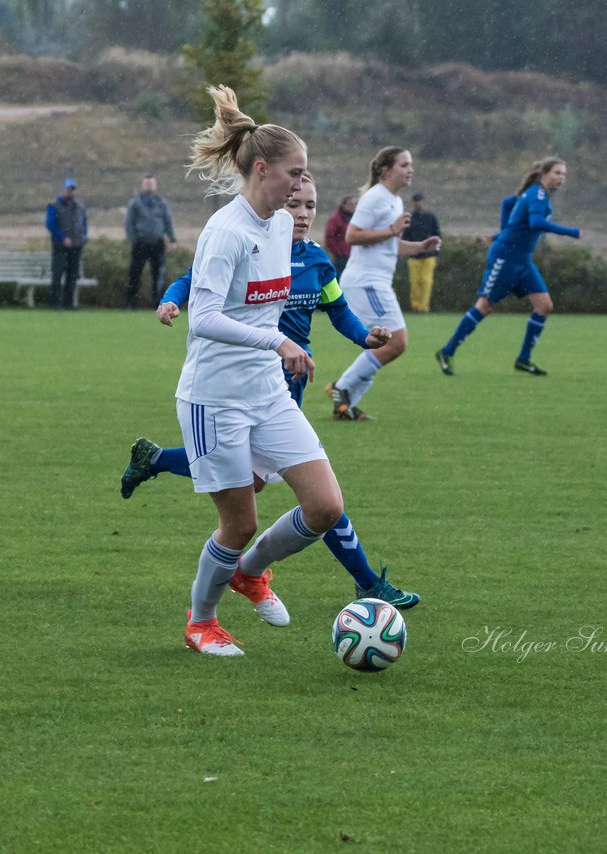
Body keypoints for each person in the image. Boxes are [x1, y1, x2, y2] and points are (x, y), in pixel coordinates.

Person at [120, 173, 420, 610]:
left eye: (311, 206)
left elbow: (337, 310)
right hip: (250, 380)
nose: (301, 214)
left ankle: (158, 459)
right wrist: (171, 299)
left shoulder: (318, 261)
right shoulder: (250, 243)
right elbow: (194, 279)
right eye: (295, 204)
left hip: (288, 386)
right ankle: (365, 580)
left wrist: (364, 338)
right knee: (286, 492)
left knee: (260, 483)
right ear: (277, 199)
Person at [164, 84, 356, 657]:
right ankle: (202, 622)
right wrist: (276, 341)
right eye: (296, 172)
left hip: (267, 393)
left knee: (325, 507)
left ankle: (250, 574)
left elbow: (279, 299)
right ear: (265, 169)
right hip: (214, 397)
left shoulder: (279, 225)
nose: (302, 184)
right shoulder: (226, 232)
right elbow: (204, 319)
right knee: (239, 522)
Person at [435, 157, 581, 377]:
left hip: (522, 260)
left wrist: (498, 234)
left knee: (544, 305)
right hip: (506, 258)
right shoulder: (537, 194)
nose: (561, 178)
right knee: (484, 306)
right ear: (544, 174)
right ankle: (447, 351)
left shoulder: (537, 195)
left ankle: (523, 359)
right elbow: (535, 223)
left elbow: (511, 209)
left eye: (564, 174)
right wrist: (571, 232)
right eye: (557, 173)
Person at [327, 147, 441, 421]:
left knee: (385, 343)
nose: (410, 169)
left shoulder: (394, 200)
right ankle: (341, 388)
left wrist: (419, 247)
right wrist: (391, 230)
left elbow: (388, 244)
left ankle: (345, 404)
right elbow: (352, 236)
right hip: (367, 283)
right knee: (395, 343)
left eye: (411, 164)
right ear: (386, 170)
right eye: (404, 164)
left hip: (375, 283)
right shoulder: (375, 198)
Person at [124, 174, 178, 309]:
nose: (149, 186)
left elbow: (167, 222)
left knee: (158, 276)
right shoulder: (135, 203)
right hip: (140, 244)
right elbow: (128, 224)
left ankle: (158, 304)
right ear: (142, 185)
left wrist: (172, 239)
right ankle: (131, 304)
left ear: (155, 185)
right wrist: (134, 239)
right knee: (134, 275)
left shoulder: (161, 203)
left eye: (151, 183)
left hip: (157, 244)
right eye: (146, 183)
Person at [45, 178, 88, 310]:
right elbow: (50, 224)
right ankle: (55, 303)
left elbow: (84, 224)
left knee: (72, 275)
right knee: (57, 274)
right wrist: (62, 238)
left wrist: (83, 237)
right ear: (63, 189)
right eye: (68, 189)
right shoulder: (54, 205)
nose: (70, 192)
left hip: (76, 246)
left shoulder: (79, 207)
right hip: (60, 245)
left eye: (72, 189)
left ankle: (68, 303)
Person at [403, 192, 441, 312]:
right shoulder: (410, 218)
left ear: (424, 202)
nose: (418, 204)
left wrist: (436, 251)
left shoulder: (431, 217)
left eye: (420, 201)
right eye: (416, 201)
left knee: (426, 282)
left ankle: (424, 307)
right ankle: (415, 306)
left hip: (429, 256)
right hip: (413, 256)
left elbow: (437, 234)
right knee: (414, 283)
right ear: (413, 203)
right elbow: (405, 236)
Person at [323, 194, 356, 276]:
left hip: (354, 256)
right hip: (342, 257)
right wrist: (338, 252)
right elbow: (329, 237)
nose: (352, 206)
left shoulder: (355, 218)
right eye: (350, 204)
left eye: (354, 204)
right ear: (343, 204)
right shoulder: (335, 219)